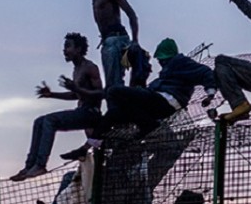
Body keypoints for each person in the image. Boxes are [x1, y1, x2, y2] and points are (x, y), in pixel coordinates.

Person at [64, 38, 216, 155]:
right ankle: (88, 145)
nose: (161, 63)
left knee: (113, 91)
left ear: (168, 57)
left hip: (165, 101)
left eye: (162, 59)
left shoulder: (180, 62)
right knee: (114, 114)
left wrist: (210, 94)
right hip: (156, 103)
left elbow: (206, 72)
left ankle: (147, 124)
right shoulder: (163, 76)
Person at [10, 33, 102, 181]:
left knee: (49, 121)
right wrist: (51, 94)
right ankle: (29, 166)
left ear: (78, 49)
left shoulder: (90, 67)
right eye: (64, 47)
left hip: (91, 113)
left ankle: (40, 165)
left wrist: (76, 89)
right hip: (81, 111)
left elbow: (99, 94)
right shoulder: (76, 69)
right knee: (39, 121)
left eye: (68, 46)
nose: (64, 50)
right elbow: (75, 95)